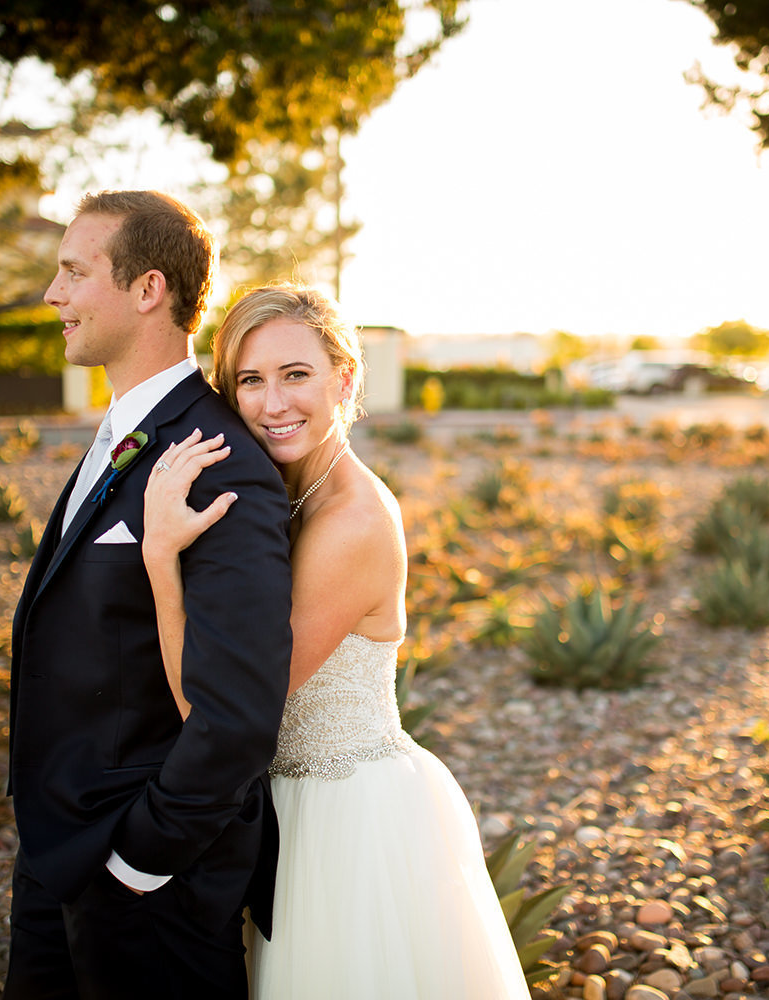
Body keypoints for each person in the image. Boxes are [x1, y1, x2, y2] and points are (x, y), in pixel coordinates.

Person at [142, 285, 530, 999]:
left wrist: (161, 559)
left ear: (344, 378)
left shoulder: (350, 522)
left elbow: (217, 712)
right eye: (251, 381)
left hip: (347, 820)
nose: (273, 403)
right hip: (287, 809)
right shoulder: (287, 495)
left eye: (297, 375)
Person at [5, 191, 293, 1000]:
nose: (52, 294)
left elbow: (236, 712)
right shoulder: (130, 430)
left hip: (142, 883)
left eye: (73, 272)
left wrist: (140, 859)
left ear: (147, 290)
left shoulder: (219, 461)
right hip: (62, 849)